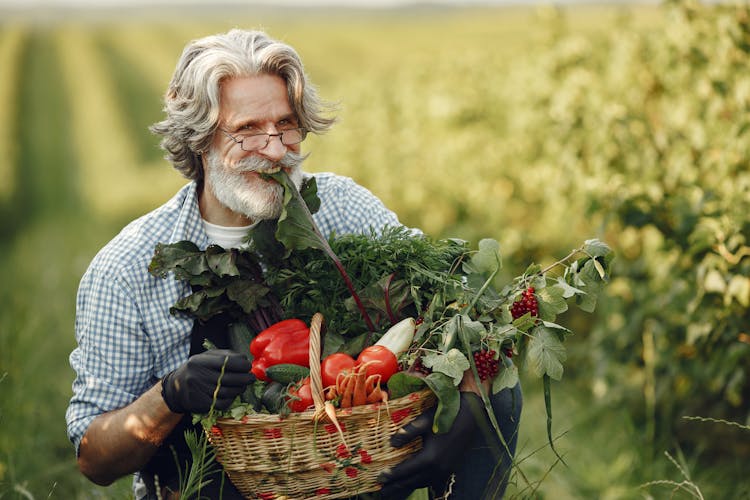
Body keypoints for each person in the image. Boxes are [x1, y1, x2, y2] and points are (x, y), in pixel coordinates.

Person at [66, 29, 521, 499]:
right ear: (199, 139)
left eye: (286, 124)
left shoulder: (342, 210)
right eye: (247, 130)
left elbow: (466, 306)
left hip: (357, 473)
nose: (277, 148)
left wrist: (465, 412)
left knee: (496, 389)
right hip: (208, 487)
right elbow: (93, 459)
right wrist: (168, 397)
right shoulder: (127, 267)